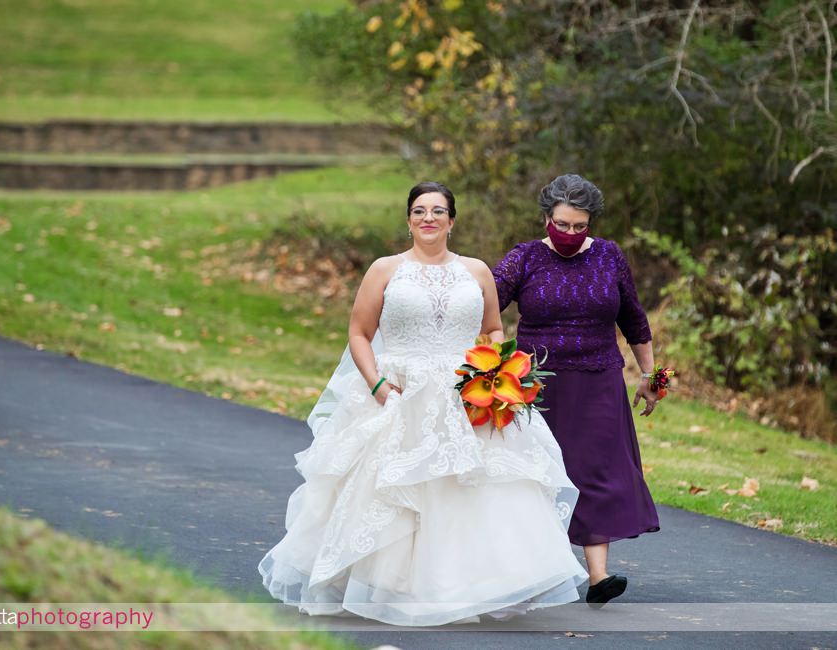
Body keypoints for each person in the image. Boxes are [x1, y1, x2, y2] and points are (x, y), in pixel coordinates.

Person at [258, 182, 587, 626]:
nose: (428, 218)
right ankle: (393, 586)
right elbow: (358, 332)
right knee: (396, 490)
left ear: (452, 221)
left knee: (470, 488)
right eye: (419, 211)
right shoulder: (385, 269)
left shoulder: (476, 271)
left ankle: (467, 585)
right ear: (408, 220)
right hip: (399, 391)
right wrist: (376, 385)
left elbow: (492, 328)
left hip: (465, 393)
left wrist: (495, 374)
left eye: (437, 211)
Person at [491, 173, 661, 606]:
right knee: (538, 473)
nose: (569, 234)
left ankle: (597, 576)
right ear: (546, 217)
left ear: (591, 223)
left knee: (596, 472)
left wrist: (651, 376)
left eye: (579, 226)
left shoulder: (609, 256)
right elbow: (484, 303)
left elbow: (634, 319)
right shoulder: (524, 258)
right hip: (537, 385)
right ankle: (537, 570)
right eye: (561, 224)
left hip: (600, 379)